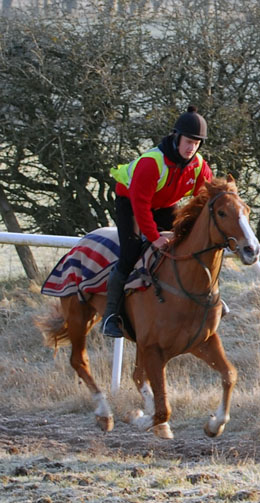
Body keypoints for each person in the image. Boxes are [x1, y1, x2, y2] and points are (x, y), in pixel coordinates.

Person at [101, 106, 213, 338]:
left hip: (164, 204)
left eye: (196, 144)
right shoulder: (152, 163)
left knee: (186, 243)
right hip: (131, 203)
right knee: (131, 252)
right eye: (188, 142)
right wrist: (154, 237)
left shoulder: (199, 166)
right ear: (176, 137)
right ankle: (111, 315)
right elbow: (141, 207)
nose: (191, 148)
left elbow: (206, 199)